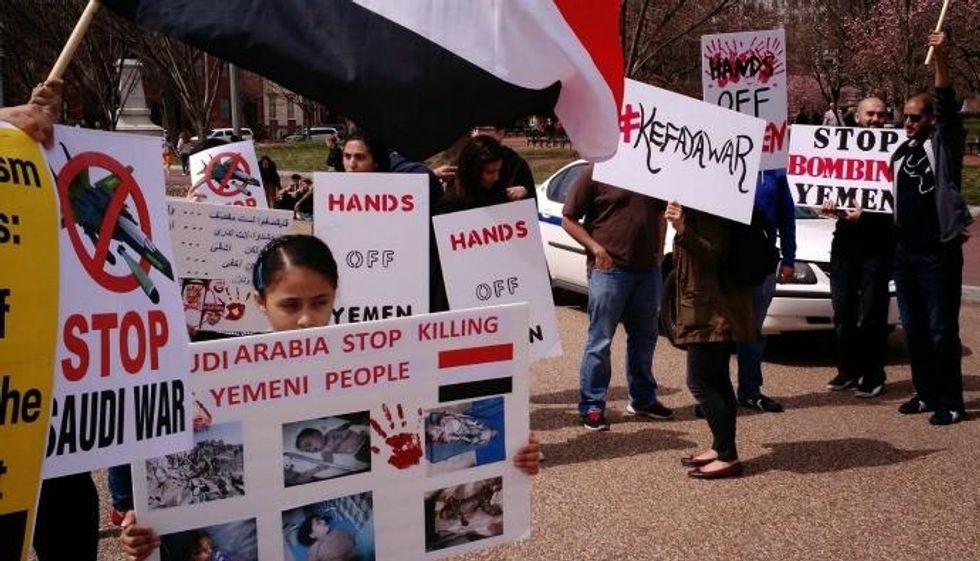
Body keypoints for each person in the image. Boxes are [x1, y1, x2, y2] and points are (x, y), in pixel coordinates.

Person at [119, 235, 542, 559]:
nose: (306, 318)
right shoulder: (219, 376)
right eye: (290, 305)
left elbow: (425, 434)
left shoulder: (378, 361)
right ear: (259, 302)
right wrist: (154, 530)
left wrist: (511, 454)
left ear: (336, 294)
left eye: (320, 302)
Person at [891, 31, 971, 425]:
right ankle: (924, 393)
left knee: (942, 331)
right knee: (916, 331)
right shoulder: (898, 152)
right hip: (904, 254)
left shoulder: (944, 146)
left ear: (932, 120)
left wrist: (940, 56)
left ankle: (951, 401)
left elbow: (946, 102)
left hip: (937, 254)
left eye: (916, 117)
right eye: (905, 116)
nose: (908, 122)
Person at [561, 163, 671, 431]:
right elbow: (568, 219)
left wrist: (658, 253)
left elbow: (664, 213)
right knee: (599, 341)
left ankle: (643, 399)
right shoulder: (595, 171)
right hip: (609, 270)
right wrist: (596, 248)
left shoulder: (656, 170)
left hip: (647, 270)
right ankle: (592, 406)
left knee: (645, 338)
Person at [665, 201, 755, 479]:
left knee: (700, 383)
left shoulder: (712, 207)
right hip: (706, 307)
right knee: (718, 381)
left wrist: (682, 228)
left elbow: (712, 253)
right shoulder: (700, 205)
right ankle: (721, 447)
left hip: (712, 311)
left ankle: (728, 456)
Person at [822, 96, 895, 398]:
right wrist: (828, 207)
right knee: (843, 311)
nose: (876, 119)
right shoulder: (840, 148)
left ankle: (873, 373)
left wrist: (871, 212)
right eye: (870, 114)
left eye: (881, 114)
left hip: (878, 243)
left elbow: (898, 198)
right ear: (857, 117)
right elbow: (823, 184)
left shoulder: (895, 151)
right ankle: (848, 370)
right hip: (845, 243)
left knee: (874, 313)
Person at [733, 169, 795, 413]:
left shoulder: (775, 171)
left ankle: (749, 391)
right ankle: (715, 394)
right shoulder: (723, 156)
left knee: (753, 330)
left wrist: (789, 258)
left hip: (761, 261)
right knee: (720, 331)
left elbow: (787, 216)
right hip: (726, 261)